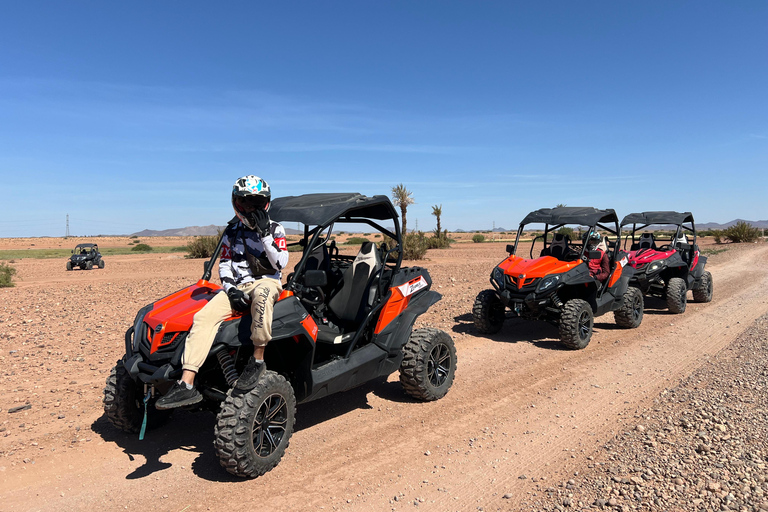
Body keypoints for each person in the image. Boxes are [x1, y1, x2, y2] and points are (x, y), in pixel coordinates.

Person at [156, 175, 289, 409]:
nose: (251, 208)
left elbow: (280, 263)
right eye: (245, 202)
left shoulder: (275, 229)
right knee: (202, 317)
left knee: (262, 298)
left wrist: (264, 233)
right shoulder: (232, 231)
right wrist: (230, 289)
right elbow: (225, 264)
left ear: (265, 203)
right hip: (237, 286)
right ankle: (187, 382)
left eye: (257, 203)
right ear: (237, 203)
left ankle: (258, 360)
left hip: (266, 283)